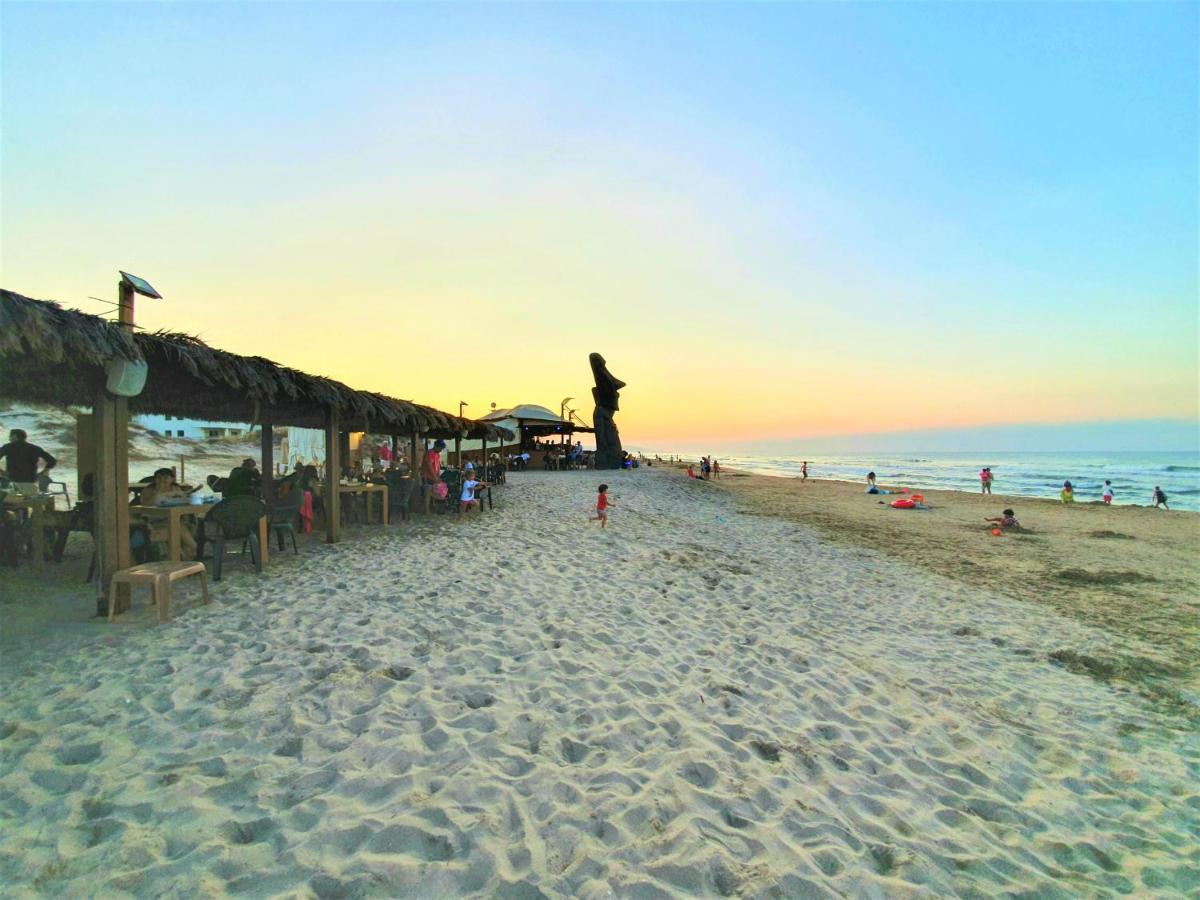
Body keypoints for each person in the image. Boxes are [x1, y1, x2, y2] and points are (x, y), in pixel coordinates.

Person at [139, 468, 198, 558]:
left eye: (166, 477)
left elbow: (183, 502)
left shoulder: (175, 488)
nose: (162, 480)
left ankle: (189, 555)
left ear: (171, 479)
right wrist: (158, 492)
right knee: (178, 529)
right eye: (159, 478)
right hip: (155, 521)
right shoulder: (149, 490)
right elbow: (146, 505)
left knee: (180, 526)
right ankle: (192, 551)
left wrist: (180, 495)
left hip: (173, 518)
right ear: (155, 479)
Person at [0, 429, 57, 495]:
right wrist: (43, 472)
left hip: (12, 482)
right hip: (31, 482)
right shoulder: (35, 448)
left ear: (15, 436)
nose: (9, 438)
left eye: (10, 436)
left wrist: (2, 472)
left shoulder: (8, 447)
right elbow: (52, 461)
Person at [421, 439, 445, 513]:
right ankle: (427, 511)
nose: (441, 450)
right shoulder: (430, 453)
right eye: (440, 448)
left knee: (432, 493)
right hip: (427, 476)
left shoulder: (437, 454)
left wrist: (438, 477)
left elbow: (437, 467)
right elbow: (429, 466)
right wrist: (435, 477)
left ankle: (430, 508)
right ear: (436, 446)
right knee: (428, 494)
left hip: (433, 477)